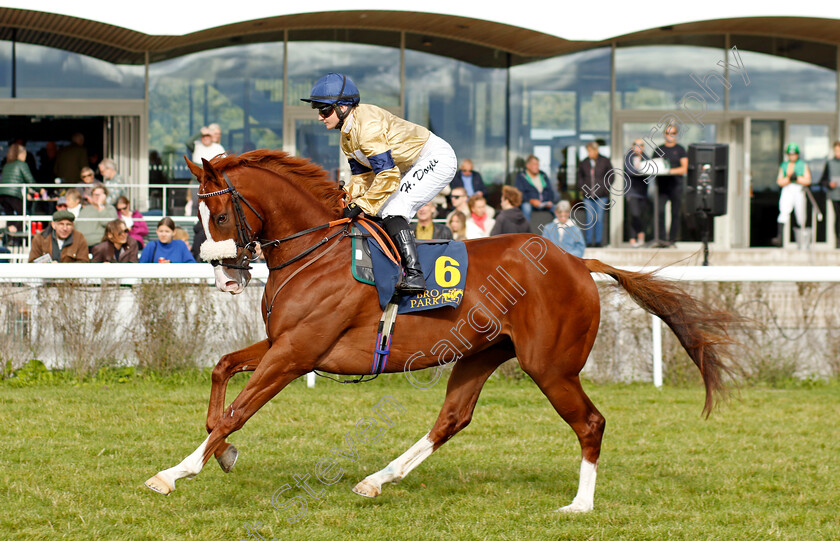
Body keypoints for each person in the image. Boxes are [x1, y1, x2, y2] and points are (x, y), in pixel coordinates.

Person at [302, 72, 457, 294]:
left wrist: (361, 205)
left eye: (324, 110)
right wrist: (344, 196)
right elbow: (363, 177)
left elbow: (387, 175)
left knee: (393, 209)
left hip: (434, 158)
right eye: (318, 110)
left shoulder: (367, 126)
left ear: (343, 107)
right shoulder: (346, 135)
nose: (320, 116)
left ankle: (414, 274)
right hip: (407, 166)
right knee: (376, 210)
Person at [653, 124, 688, 245]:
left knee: (675, 213)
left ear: (676, 134)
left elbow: (684, 168)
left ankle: (672, 240)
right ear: (664, 134)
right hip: (662, 187)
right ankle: (662, 240)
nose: (670, 136)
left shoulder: (680, 149)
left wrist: (669, 171)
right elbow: (654, 167)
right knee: (660, 212)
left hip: (676, 186)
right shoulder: (658, 149)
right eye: (668, 133)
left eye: (673, 133)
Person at [772, 142, 811, 247]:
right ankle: (780, 238)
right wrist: (789, 178)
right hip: (787, 189)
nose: (792, 156)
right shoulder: (784, 165)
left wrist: (797, 178)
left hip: (799, 189)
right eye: (790, 154)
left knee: (801, 215)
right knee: (784, 211)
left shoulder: (802, 165)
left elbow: (808, 180)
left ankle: (802, 241)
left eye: (794, 154)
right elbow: (780, 181)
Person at [577, 141, 613, 247]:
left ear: (596, 150)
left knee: (599, 218)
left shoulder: (605, 161)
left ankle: (598, 241)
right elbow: (580, 178)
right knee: (589, 219)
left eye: (590, 151)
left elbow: (611, 176)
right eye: (588, 151)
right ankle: (588, 241)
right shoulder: (584, 162)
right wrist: (584, 190)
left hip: (601, 196)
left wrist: (605, 189)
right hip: (587, 196)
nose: (589, 153)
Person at [0, 143, 35, 231]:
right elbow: (30, 180)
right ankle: (17, 235)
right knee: (22, 214)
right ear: (21, 154)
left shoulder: (7, 165)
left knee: (10, 215)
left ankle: (10, 237)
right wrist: (40, 189)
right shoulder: (22, 164)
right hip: (14, 194)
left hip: (3, 194)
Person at [624, 139, 650, 247]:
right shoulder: (628, 157)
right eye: (636, 145)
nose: (638, 147)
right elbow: (631, 172)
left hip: (643, 192)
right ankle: (636, 236)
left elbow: (650, 171)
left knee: (641, 215)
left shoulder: (646, 158)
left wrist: (642, 170)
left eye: (641, 145)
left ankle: (636, 237)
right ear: (633, 146)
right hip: (631, 192)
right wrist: (642, 170)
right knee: (634, 214)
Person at [515, 154, 555, 221]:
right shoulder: (521, 177)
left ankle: (559, 229)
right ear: (527, 166)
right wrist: (531, 200)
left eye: (538, 164)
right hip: (529, 203)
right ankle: (526, 230)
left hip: (544, 203)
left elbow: (550, 190)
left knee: (558, 209)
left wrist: (550, 201)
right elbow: (519, 193)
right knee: (526, 207)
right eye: (534, 164)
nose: (537, 166)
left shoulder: (543, 175)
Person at [818, 140, 840, 248]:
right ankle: (838, 241)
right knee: (838, 218)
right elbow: (822, 180)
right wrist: (829, 184)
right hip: (835, 195)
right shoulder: (830, 163)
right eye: (836, 150)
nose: (838, 153)